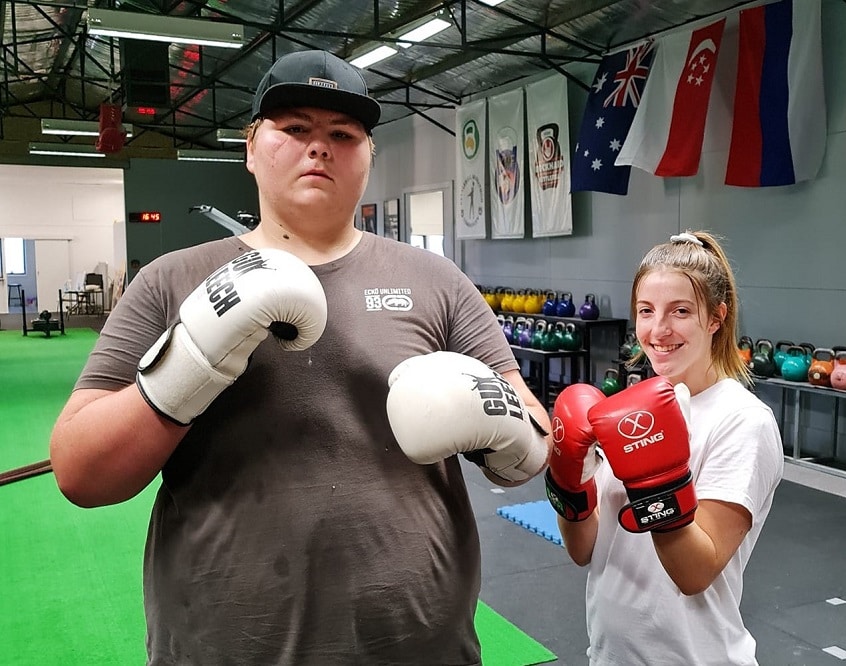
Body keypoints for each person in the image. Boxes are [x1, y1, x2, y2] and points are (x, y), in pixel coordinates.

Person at [49, 49, 550, 665]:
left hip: (421, 644)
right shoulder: (171, 280)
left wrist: (504, 428)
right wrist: (189, 364)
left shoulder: (438, 282)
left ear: (369, 157)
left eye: (343, 134)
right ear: (251, 147)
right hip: (223, 647)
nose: (320, 148)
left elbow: (533, 435)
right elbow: (79, 471)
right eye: (295, 129)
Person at [544, 230, 783, 665]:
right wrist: (569, 479)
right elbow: (584, 550)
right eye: (646, 311)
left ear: (716, 318)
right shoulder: (627, 413)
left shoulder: (744, 421)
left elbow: (694, 572)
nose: (658, 330)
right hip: (610, 656)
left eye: (681, 311)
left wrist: (653, 480)